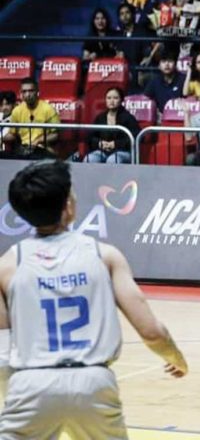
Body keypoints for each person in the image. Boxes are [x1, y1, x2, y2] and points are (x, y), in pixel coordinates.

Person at [0, 160, 188, 438]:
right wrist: (176, 358)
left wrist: (16, 397)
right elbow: (151, 331)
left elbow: (3, 353)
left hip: (31, 381)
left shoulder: (7, 266)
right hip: (93, 381)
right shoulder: (104, 255)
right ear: (68, 206)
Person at [3, 78, 60, 159]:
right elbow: (12, 134)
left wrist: (37, 141)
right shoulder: (17, 110)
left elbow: (55, 135)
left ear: (37, 92)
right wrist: (1, 137)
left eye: (31, 91)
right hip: (24, 149)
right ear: (21, 93)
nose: (28, 94)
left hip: (43, 149)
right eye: (24, 91)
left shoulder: (48, 109)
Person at [85, 87, 140, 164]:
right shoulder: (100, 117)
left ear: (121, 100)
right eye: (109, 98)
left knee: (112, 160)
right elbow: (90, 137)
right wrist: (100, 143)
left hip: (122, 151)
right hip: (102, 151)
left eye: (115, 98)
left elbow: (135, 137)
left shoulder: (128, 118)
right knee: (89, 159)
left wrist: (115, 144)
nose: (112, 101)